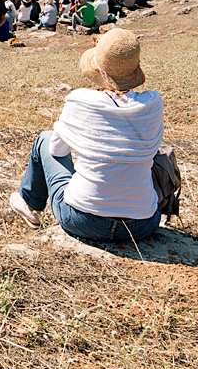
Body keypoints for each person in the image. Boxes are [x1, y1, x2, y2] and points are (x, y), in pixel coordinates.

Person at [9, 29, 162, 243]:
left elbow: (57, 151)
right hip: (143, 224)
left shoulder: (81, 100)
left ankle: (29, 203)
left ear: (99, 69)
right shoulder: (153, 103)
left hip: (84, 220)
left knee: (45, 139)